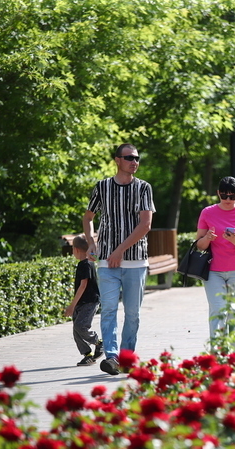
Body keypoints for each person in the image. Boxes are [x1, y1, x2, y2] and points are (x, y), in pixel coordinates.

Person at [83, 143, 155, 375]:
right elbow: (88, 218)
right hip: (106, 262)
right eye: (129, 157)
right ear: (117, 160)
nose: (134, 161)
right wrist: (92, 243)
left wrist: (120, 250)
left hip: (135, 262)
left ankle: (126, 357)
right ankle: (112, 358)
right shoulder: (102, 187)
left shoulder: (144, 188)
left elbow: (145, 225)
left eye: (137, 158)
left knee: (132, 314)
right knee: (109, 311)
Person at [196, 177, 235, 353]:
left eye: (232, 196)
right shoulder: (207, 212)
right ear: (218, 193)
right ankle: (217, 355)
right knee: (217, 311)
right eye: (224, 195)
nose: (228, 200)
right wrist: (207, 238)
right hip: (214, 272)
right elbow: (199, 245)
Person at [64, 235, 103, 366]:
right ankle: (88, 355)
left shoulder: (85, 264)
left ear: (75, 250)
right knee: (76, 329)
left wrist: (72, 305)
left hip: (90, 302)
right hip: (83, 302)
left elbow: (83, 285)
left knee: (81, 326)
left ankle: (99, 343)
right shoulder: (88, 262)